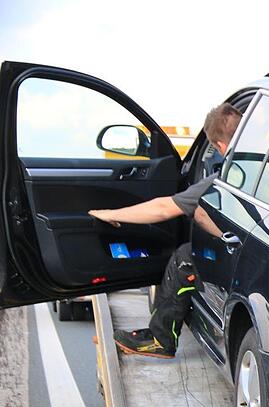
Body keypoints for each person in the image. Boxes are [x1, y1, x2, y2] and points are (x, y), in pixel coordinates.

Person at [89, 102, 242, 358]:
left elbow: (163, 209)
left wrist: (111, 214)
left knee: (185, 257)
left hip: (238, 263)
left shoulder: (223, 180)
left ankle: (161, 339)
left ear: (219, 147)